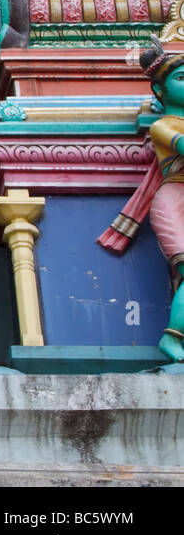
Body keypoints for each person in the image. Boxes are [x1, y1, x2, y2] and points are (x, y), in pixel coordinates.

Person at [100, 37, 184, 361]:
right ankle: (172, 338)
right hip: (173, 202)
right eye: (181, 77)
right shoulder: (165, 125)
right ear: (160, 92)